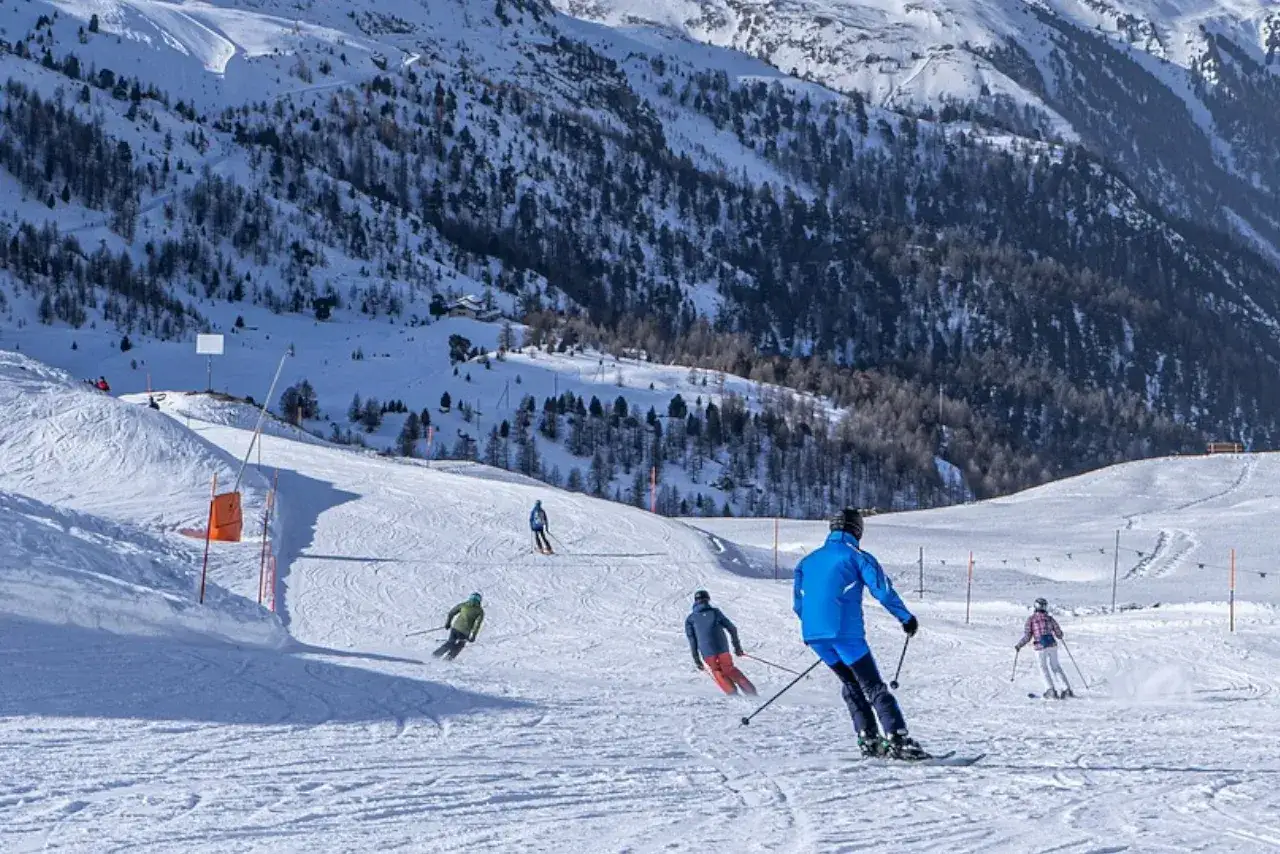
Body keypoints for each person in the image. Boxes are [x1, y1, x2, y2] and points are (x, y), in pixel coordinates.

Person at [794, 507, 925, 759]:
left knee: (850, 684)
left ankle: (868, 738)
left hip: (815, 636)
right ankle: (897, 737)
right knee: (873, 685)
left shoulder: (807, 561)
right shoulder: (857, 556)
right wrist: (906, 618)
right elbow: (883, 592)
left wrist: (818, 628)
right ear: (858, 530)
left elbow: (798, 605)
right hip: (845, 635)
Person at [685, 590, 756, 696]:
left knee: (717, 671)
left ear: (695, 601)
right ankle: (752, 693)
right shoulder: (715, 612)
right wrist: (737, 647)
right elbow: (732, 628)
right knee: (729, 669)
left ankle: (733, 695)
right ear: (708, 600)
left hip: (707, 653)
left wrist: (696, 659)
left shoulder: (690, 619)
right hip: (723, 649)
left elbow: (692, 640)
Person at [1015, 598, 1073, 698]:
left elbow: (1027, 636)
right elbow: (1059, 632)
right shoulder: (1049, 618)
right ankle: (1066, 689)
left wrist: (1019, 645)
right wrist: (1059, 635)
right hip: (1052, 645)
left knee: (1043, 668)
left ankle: (1050, 690)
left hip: (1040, 646)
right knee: (1056, 667)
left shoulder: (1031, 619)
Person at [434, 593, 484, 661]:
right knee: (459, 646)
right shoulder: (480, 611)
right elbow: (477, 624)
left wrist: (448, 623)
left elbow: (451, 613)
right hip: (465, 632)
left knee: (450, 643)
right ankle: (448, 659)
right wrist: (473, 636)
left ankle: (435, 655)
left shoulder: (464, 605)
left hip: (455, 628)